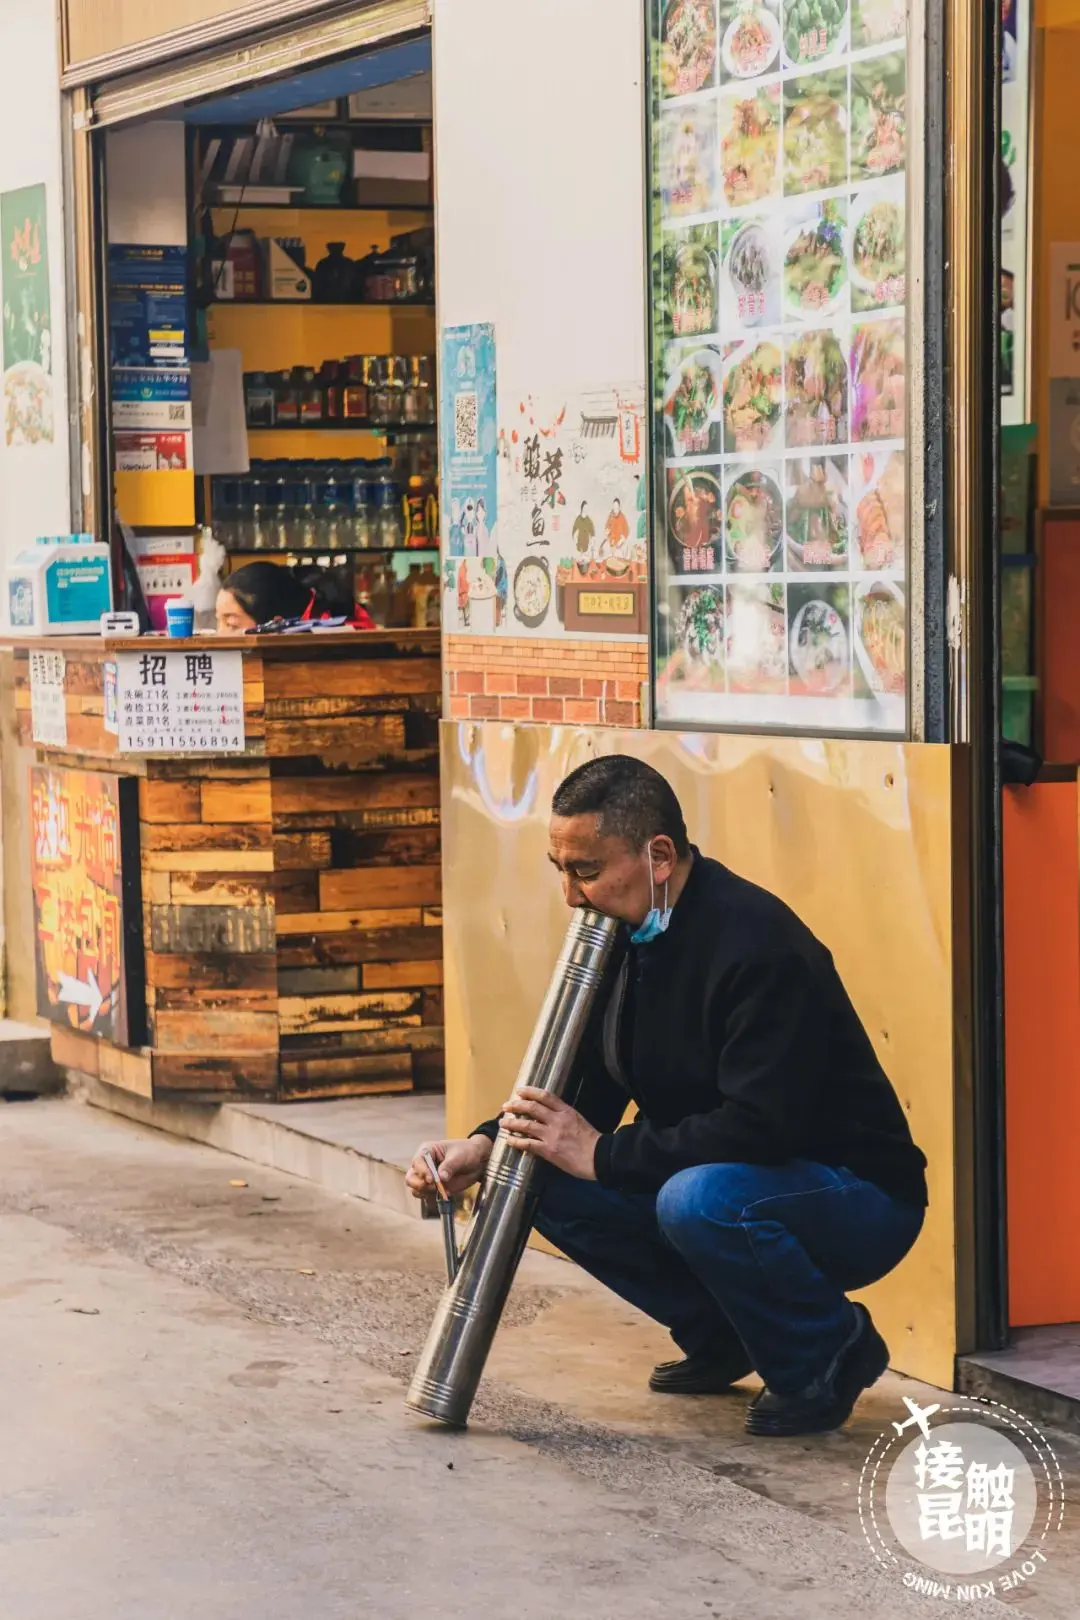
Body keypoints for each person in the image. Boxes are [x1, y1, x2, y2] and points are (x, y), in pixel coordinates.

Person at [407, 755, 928, 1438]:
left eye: (586, 871)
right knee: (538, 1171)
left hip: (853, 1197)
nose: (569, 895)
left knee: (697, 1200)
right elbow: (579, 1088)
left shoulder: (758, 946)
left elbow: (760, 1130)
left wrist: (604, 1155)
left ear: (657, 856)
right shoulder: (626, 933)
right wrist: (485, 1145)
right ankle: (726, 1335)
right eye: (558, 869)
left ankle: (825, 1353)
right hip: (733, 1180)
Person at [215, 561, 374, 633]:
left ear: (275, 624)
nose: (219, 634)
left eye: (232, 624)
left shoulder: (334, 635)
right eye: (218, 621)